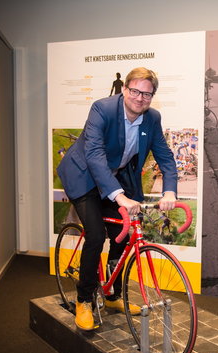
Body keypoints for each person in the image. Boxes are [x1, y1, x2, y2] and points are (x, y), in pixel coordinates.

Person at [57, 67, 178, 331]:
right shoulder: (102, 109)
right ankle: (84, 300)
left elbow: (165, 155)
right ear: (124, 89)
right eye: (135, 90)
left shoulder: (152, 118)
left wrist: (170, 190)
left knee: (121, 235)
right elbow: (95, 155)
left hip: (113, 176)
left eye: (147, 93)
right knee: (97, 235)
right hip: (84, 175)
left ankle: (111, 295)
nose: (140, 97)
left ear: (152, 96)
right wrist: (119, 196)